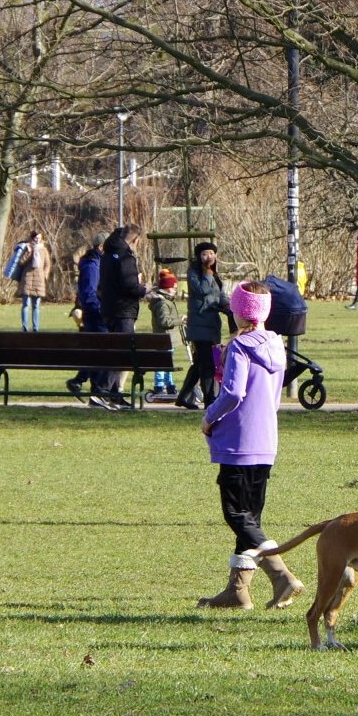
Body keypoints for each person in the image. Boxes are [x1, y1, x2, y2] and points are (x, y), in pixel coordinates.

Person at [196, 281, 303, 611]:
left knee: (235, 513)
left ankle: (281, 575)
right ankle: (237, 590)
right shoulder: (276, 343)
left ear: (238, 311)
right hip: (265, 441)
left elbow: (232, 393)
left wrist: (209, 417)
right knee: (250, 517)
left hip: (238, 440)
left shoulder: (240, 347)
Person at [92, 224, 149, 410]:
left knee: (117, 348)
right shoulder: (125, 256)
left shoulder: (108, 254)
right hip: (123, 310)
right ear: (135, 240)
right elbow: (129, 285)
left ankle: (115, 395)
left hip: (109, 309)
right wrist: (144, 289)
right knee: (123, 351)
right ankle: (102, 390)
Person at [177, 241, 228, 410]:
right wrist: (207, 272)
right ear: (198, 257)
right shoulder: (194, 273)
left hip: (212, 325)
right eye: (205, 254)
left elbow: (220, 295)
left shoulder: (215, 274)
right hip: (199, 325)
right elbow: (203, 290)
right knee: (207, 364)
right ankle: (209, 399)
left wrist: (227, 306)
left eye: (212, 254)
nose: (209, 257)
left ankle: (183, 397)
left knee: (200, 363)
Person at [66, 233, 107, 400]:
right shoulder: (92, 265)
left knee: (96, 350)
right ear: (101, 247)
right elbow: (89, 293)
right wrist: (99, 310)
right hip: (95, 314)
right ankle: (93, 387)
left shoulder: (92, 262)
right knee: (101, 349)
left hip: (92, 313)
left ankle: (81, 381)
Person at [147, 269, 182, 396]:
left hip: (167, 340)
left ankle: (170, 385)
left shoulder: (166, 301)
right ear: (167, 288)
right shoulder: (162, 303)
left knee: (168, 364)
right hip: (163, 339)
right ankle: (159, 386)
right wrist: (180, 320)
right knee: (162, 364)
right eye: (174, 288)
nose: (175, 290)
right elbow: (164, 322)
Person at [16, 231, 51, 331]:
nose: (38, 240)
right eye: (36, 238)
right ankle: (24, 327)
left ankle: (36, 328)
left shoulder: (44, 250)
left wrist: (45, 275)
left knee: (36, 306)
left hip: (39, 280)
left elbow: (47, 264)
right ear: (32, 238)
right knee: (26, 304)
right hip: (27, 279)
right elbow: (20, 262)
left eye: (40, 238)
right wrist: (29, 252)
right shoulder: (26, 248)